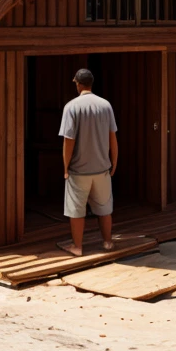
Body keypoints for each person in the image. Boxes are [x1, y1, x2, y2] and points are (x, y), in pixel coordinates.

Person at [58, 68, 118, 256]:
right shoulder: (106, 105)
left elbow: (69, 141)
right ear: (91, 83)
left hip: (79, 171)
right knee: (104, 208)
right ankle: (108, 242)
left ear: (77, 83)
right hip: (102, 169)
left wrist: (66, 167)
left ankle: (77, 247)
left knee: (76, 210)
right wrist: (114, 163)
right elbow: (112, 138)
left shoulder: (71, 107)